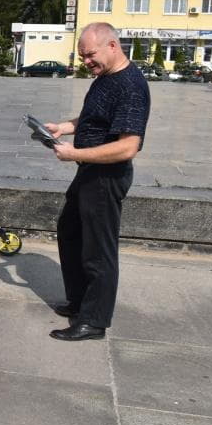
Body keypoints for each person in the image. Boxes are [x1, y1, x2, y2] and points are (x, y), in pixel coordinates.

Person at [43, 22, 150, 341]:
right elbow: (95, 118)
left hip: (106, 177)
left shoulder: (130, 85)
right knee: (71, 231)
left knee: (98, 250)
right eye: (83, 57)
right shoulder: (106, 78)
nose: (86, 62)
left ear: (112, 46)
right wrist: (65, 127)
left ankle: (94, 321)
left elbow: (129, 145)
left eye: (90, 55)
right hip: (89, 171)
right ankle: (79, 302)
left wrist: (76, 154)